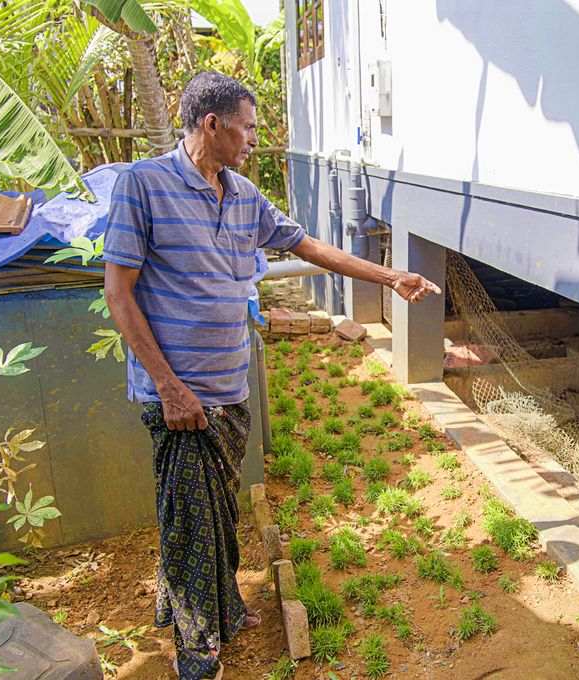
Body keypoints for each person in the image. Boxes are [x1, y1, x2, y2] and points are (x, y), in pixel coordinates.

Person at [103, 71, 439, 680]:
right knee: (189, 517)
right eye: (249, 127)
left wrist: (391, 278)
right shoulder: (142, 186)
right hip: (176, 393)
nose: (255, 139)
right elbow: (119, 295)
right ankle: (196, 649)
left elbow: (307, 245)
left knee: (215, 507)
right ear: (213, 125)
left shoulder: (243, 194)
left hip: (229, 385)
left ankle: (223, 606)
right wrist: (169, 385)